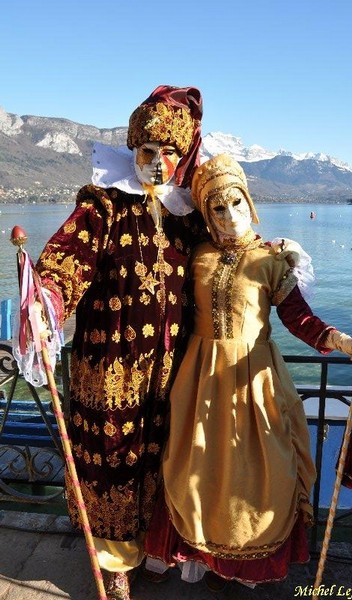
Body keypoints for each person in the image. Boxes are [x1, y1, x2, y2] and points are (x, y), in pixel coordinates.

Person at [16, 85, 207, 600]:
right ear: (133, 148)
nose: (160, 163)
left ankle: (153, 547)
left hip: (168, 374)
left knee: (158, 460)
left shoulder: (187, 218)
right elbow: (64, 261)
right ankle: (111, 561)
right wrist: (47, 300)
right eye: (150, 151)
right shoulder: (101, 206)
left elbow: (224, 261)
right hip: (109, 372)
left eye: (172, 153)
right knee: (110, 461)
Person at [143, 153, 352, 590]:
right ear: (207, 214)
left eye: (236, 204)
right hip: (199, 379)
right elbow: (169, 309)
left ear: (250, 203)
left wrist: (344, 343)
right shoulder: (197, 255)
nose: (229, 216)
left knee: (259, 474)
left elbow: (299, 318)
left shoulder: (271, 259)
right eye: (218, 208)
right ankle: (205, 556)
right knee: (196, 470)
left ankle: (243, 569)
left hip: (254, 379)